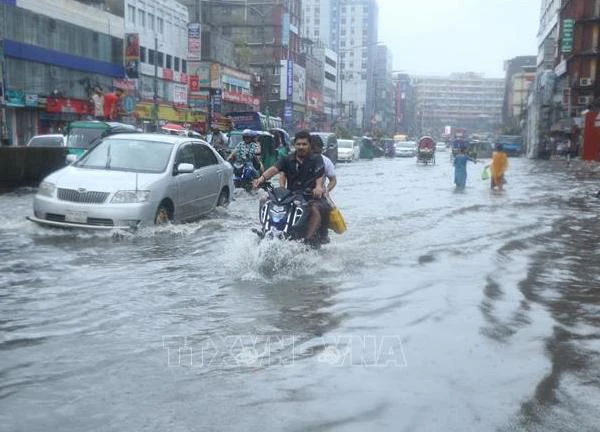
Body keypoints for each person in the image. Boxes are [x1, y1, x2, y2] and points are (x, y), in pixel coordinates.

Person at [253, 130, 327, 245]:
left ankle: (308, 238)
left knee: (315, 210)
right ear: (294, 145)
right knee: (264, 200)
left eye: (304, 144)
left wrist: (318, 188)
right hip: (291, 196)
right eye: (298, 144)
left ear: (309, 145)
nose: (301, 147)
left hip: (311, 196)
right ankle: (265, 229)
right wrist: (261, 179)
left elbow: (320, 176)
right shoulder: (288, 159)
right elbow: (274, 169)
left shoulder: (316, 159)